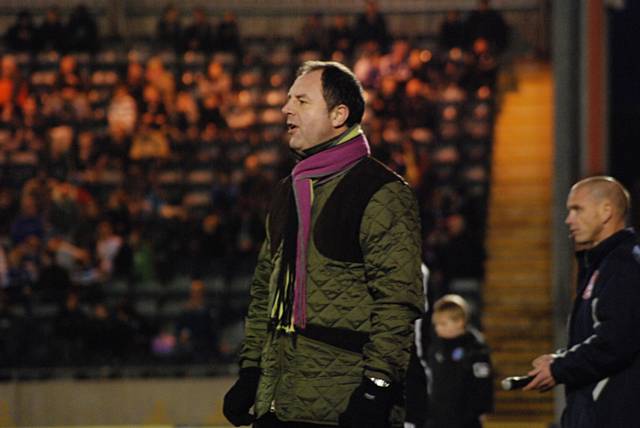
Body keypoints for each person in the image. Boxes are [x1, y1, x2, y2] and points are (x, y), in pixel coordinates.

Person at [223, 60, 424, 428]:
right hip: (279, 401)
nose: (286, 109)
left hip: (343, 408)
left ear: (339, 114)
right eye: (287, 100)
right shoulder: (288, 191)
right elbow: (263, 293)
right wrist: (251, 370)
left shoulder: (381, 191)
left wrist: (375, 388)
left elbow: (397, 301)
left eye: (301, 100)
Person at [524, 176, 640, 428]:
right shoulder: (603, 263)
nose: (569, 220)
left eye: (577, 209)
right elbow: (601, 336)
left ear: (606, 211)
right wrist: (560, 359)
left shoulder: (624, 265)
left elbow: (616, 341)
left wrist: (560, 368)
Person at [405, 294, 493, 428]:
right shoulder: (436, 347)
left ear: (460, 322)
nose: (438, 328)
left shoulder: (475, 349)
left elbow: (483, 386)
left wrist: (479, 411)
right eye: (436, 324)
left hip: (465, 420)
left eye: (443, 324)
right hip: (437, 419)